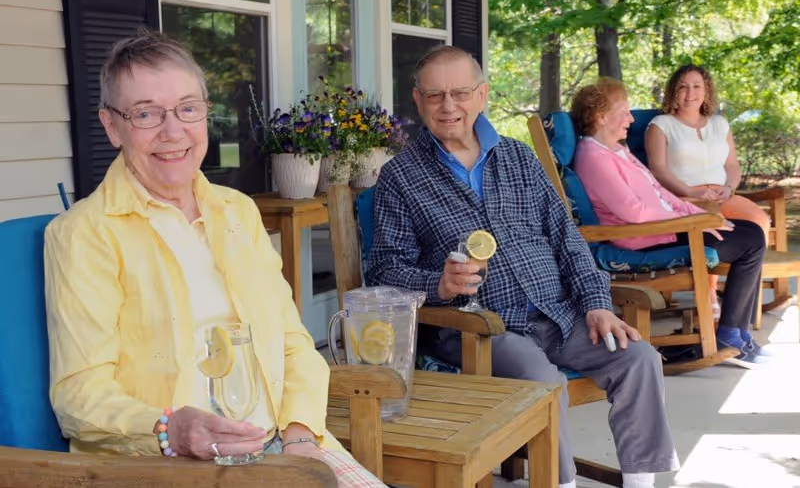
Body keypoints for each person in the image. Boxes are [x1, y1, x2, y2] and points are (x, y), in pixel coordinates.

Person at [43, 29, 385, 488]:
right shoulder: (84, 233)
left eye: (188, 108)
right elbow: (78, 394)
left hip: (286, 445)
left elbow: (291, 341)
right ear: (111, 126)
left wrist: (301, 435)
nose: (173, 131)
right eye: (146, 113)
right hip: (167, 468)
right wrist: (169, 430)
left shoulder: (238, 211)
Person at [365, 45, 678, 488]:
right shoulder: (401, 177)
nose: (448, 106)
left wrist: (596, 303)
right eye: (434, 96)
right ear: (417, 100)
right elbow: (383, 270)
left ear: (482, 95)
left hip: (558, 313)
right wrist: (438, 283)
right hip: (480, 327)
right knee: (541, 379)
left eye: (459, 92)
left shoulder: (517, 158)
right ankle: (559, 483)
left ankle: (641, 483)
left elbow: (568, 241)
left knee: (638, 358)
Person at [571, 77, 768, 364]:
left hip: (669, 228)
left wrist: (700, 216)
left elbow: (659, 192)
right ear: (601, 116)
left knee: (750, 232)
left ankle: (735, 330)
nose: (630, 118)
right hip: (645, 238)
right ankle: (731, 331)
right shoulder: (593, 156)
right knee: (750, 240)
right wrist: (689, 222)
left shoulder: (618, 150)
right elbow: (633, 213)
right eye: (624, 111)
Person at [645, 65, 771, 317]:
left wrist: (729, 188)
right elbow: (658, 171)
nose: (690, 93)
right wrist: (691, 191)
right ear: (673, 91)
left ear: (706, 91)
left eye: (696, 86)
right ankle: (710, 293)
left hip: (722, 194)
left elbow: (732, 165)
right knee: (711, 228)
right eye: (683, 86)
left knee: (760, 220)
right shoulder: (661, 125)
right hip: (684, 198)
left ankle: (744, 298)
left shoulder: (720, 124)